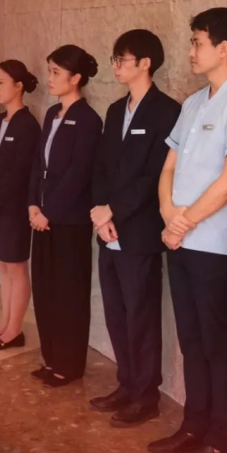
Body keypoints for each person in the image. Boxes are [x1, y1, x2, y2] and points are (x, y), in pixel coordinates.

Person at [149, 6, 227, 453]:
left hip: (216, 243)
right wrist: (168, 213)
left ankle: (220, 442)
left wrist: (183, 222)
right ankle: (193, 425)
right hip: (180, 237)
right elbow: (168, 167)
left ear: (224, 48)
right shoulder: (194, 102)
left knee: (217, 340)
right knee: (191, 338)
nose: (191, 51)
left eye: (198, 43)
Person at [89, 29, 181, 425]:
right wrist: (99, 212)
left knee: (141, 317)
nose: (115, 66)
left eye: (122, 59)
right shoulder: (115, 110)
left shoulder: (167, 111)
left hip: (139, 232)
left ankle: (146, 395)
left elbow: (156, 174)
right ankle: (126, 384)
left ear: (145, 63)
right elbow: (101, 167)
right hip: (107, 229)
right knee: (116, 313)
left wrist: (114, 211)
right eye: (114, 59)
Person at [28, 45, 102, 387]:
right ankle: (51, 358)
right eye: (50, 71)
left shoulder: (88, 120)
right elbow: (38, 165)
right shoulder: (51, 114)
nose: (50, 78)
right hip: (41, 218)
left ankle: (69, 365)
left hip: (69, 222)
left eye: (57, 72)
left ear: (76, 78)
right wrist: (33, 205)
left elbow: (79, 174)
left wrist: (50, 212)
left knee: (68, 294)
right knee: (44, 290)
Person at [0, 60, 40, 352]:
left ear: (19, 86)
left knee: (15, 268)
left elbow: (20, 173)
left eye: (2, 82)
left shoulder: (28, 125)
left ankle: (15, 330)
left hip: (12, 209)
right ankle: (5, 324)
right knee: (2, 267)